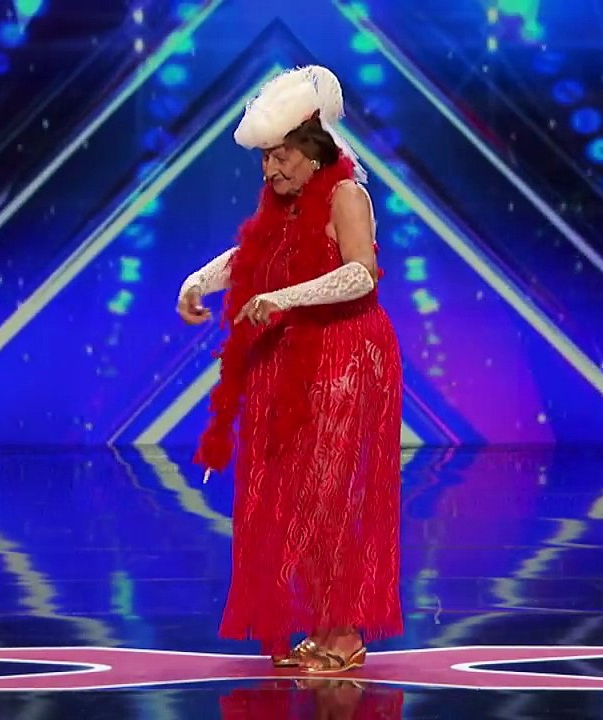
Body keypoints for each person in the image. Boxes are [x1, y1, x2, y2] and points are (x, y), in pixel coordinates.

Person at [175, 66, 402, 674]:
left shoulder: (346, 196)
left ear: (312, 150)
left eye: (280, 157)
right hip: (290, 358)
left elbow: (361, 273)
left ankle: (344, 632)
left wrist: (284, 298)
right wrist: (198, 279)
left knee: (325, 498)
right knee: (289, 499)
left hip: (344, 354)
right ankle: (324, 623)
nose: (270, 169)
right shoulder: (285, 203)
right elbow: (251, 253)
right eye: (265, 159)